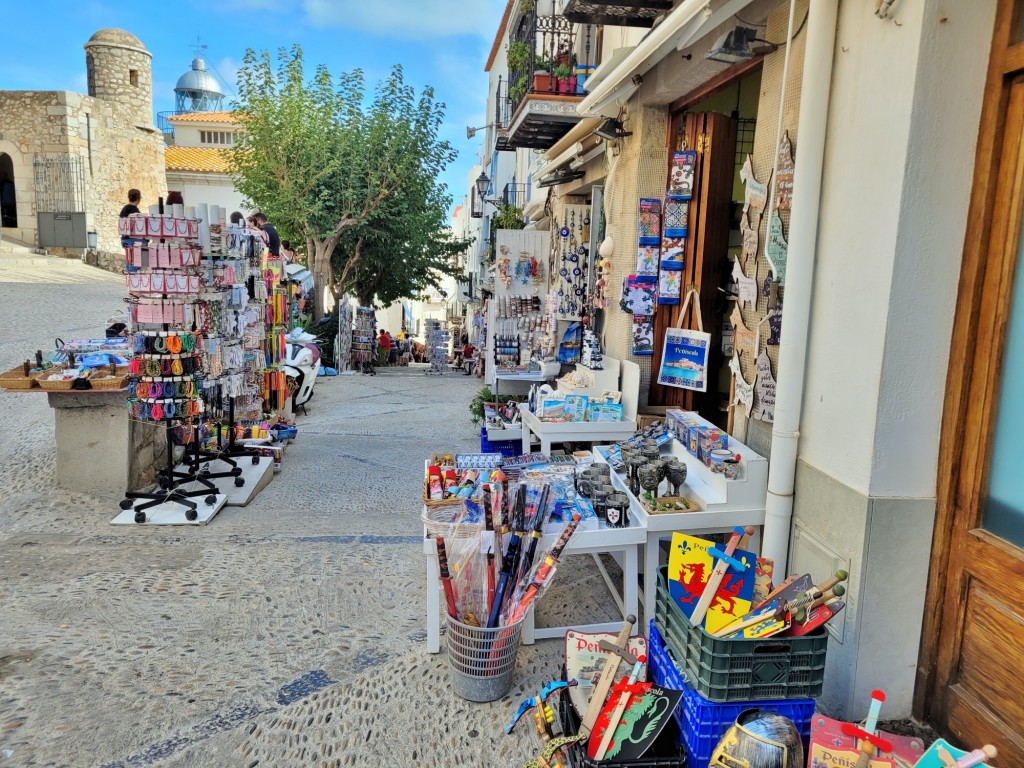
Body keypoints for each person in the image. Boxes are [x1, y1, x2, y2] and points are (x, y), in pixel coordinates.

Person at [120, 188, 143, 271]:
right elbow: (138, 227)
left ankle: (129, 279)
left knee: (129, 260)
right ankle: (134, 279)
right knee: (135, 261)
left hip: (125, 239)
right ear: (138, 198)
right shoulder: (134, 210)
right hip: (133, 239)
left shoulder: (124, 209)